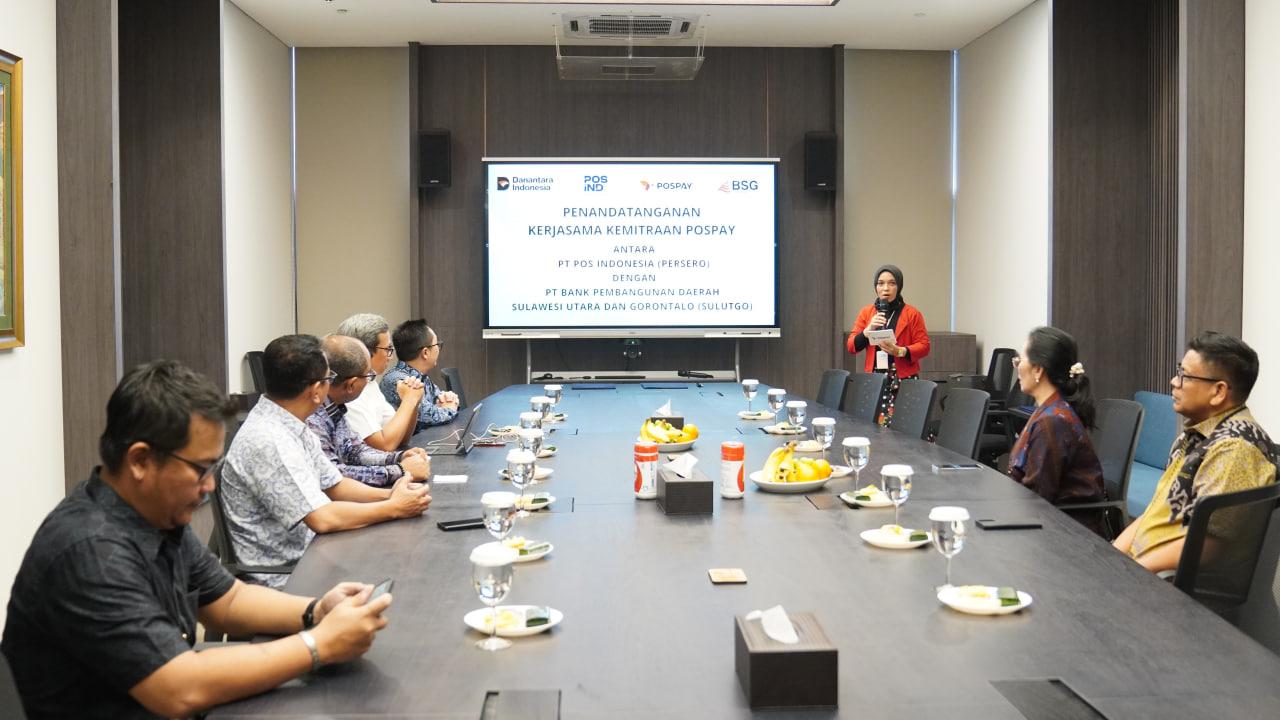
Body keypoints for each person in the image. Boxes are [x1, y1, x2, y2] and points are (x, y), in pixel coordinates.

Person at [1, 361, 394, 719]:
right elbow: (179, 688)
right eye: (201, 469)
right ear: (140, 461)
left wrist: (316, 611)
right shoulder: (91, 550)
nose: (209, 487)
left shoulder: (152, 514)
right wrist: (318, 645)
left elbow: (227, 602)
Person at [221, 334, 432, 588]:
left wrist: (392, 496)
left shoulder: (290, 422)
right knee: (404, 572)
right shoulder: (269, 439)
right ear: (316, 390)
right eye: (328, 378)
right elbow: (322, 518)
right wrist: (394, 508)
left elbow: (336, 485)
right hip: (288, 576)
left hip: (317, 550)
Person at [1114, 332, 1278, 573]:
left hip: (1173, 586)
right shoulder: (1194, 436)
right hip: (1145, 571)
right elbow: (1156, 512)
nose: (1173, 381)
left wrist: (1133, 571)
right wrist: (1112, 557)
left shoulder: (1234, 449)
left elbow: (1210, 543)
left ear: (1219, 391)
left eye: (1184, 376)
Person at [1007, 326, 1107, 535]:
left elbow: (1036, 499)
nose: (1017, 366)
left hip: (1065, 538)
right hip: (1048, 527)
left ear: (1038, 370)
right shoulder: (1049, 411)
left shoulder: (1052, 422)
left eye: (1021, 360)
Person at [308, 335, 432, 487]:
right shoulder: (313, 415)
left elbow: (355, 450)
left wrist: (399, 457)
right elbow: (333, 476)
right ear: (351, 385)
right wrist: (400, 470)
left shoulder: (333, 407)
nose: (369, 380)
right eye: (368, 375)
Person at [845, 264, 931, 426]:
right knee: (875, 427)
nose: (886, 288)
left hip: (903, 379)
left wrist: (900, 351)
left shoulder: (912, 314)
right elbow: (851, 346)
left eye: (892, 283)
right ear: (875, 287)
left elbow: (924, 345)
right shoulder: (867, 313)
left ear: (899, 287)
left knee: (904, 427)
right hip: (876, 379)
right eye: (881, 283)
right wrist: (867, 330)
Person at [335, 312, 425, 451]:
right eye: (388, 349)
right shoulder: (347, 390)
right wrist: (409, 400)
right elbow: (384, 445)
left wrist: (414, 403)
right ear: (364, 351)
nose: (390, 356)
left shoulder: (370, 383)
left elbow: (401, 438)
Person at [380, 319, 459, 429]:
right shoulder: (399, 380)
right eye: (437, 344)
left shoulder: (420, 376)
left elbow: (440, 402)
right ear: (425, 352)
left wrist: (449, 399)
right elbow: (430, 416)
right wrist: (450, 408)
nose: (438, 349)